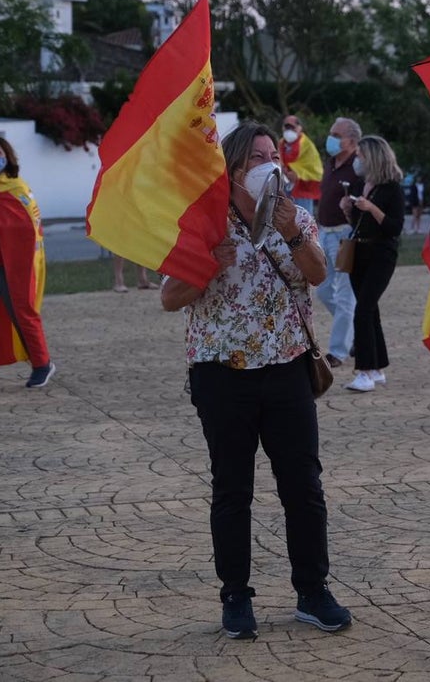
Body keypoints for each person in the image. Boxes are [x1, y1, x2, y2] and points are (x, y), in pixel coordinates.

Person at [159, 120, 352, 639]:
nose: (272, 164)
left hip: (288, 368)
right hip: (223, 375)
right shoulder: (202, 222)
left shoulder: (298, 217)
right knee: (232, 490)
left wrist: (290, 233)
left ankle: (313, 591)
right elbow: (169, 296)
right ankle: (235, 596)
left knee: (303, 487)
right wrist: (204, 265)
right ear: (234, 170)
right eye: (258, 158)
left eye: (275, 155)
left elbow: (316, 274)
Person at [0, 135, 56, 392]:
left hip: (11, 266)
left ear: (7, 159)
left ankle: (42, 364)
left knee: (22, 313)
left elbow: (29, 225)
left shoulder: (18, 189)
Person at [338, 136, 406, 393]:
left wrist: (372, 208)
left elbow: (394, 227)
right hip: (359, 252)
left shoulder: (392, 189)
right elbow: (356, 222)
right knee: (370, 310)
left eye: (360, 157)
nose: (357, 161)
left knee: (363, 309)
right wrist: (348, 209)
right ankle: (377, 368)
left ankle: (364, 371)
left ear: (373, 158)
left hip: (382, 254)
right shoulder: (361, 184)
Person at [314, 117, 363, 368]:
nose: (330, 138)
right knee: (323, 289)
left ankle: (338, 352)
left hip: (345, 234)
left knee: (345, 295)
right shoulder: (332, 163)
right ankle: (353, 334)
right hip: (325, 232)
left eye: (336, 134)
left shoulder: (358, 165)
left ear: (352, 141)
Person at [279, 115, 323, 216]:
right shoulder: (281, 143)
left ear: (300, 128)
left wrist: (297, 172)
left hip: (303, 190)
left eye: (292, 127)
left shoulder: (307, 145)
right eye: (287, 127)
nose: (289, 130)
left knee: (304, 221)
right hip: (284, 189)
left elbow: (315, 169)